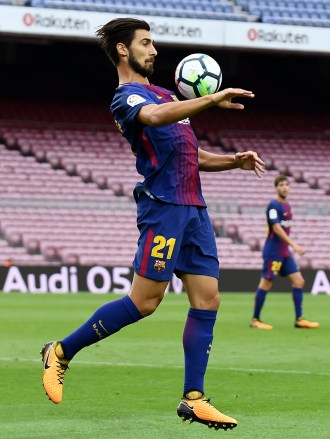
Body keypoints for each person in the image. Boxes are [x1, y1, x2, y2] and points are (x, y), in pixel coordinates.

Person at [41, 17, 265, 431]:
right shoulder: (126, 98)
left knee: (208, 298)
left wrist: (234, 160)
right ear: (123, 50)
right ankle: (60, 350)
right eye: (146, 42)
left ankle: (193, 399)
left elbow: (190, 157)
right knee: (145, 302)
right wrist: (210, 100)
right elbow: (155, 117)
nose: (155, 50)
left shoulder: (165, 94)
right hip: (163, 207)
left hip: (194, 208)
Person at [250, 175, 319, 330]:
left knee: (299, 281)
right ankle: (255, 319)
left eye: (287, 185)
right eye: (281, 184)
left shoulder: (287, 206)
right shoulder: (273, 206)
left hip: (284, 252)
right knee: (266, 284)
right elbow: (276, 228)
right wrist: (294, 245)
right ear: (276, 187)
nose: (285, 187)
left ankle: (299, 319)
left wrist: (289, 247)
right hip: (273, 252)